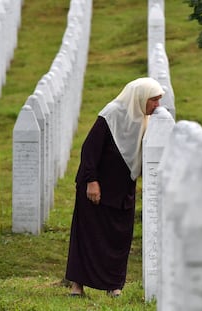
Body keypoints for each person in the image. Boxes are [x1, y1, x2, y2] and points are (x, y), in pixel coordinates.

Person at [65, 77, 165, 297]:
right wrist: (92, 181)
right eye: (153, 100)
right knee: (87, 236)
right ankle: (77, 285)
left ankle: (114, 285)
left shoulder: (145, 119)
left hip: (122, 190)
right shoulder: (111, 114)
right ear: (140, 97)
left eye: (158, 100)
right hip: (96, 188)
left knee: (118, 238)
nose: (157, 106)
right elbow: (89, 149)